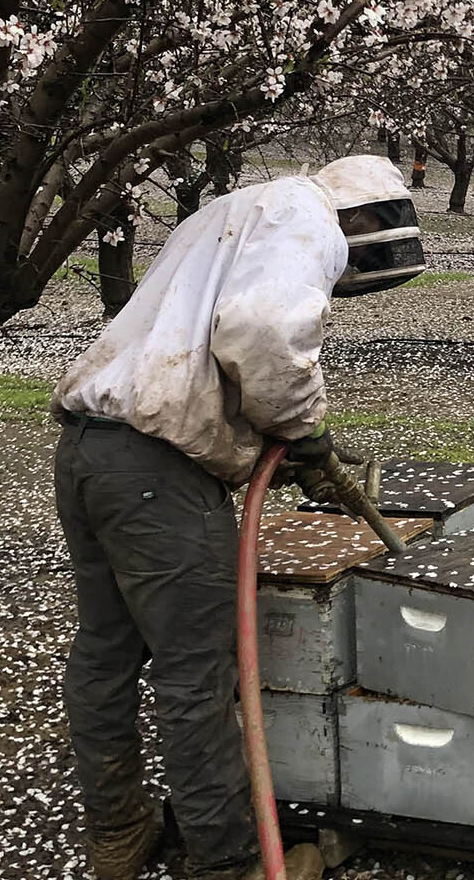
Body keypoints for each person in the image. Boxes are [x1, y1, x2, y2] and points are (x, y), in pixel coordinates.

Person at [50, 156, 425, 880]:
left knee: (105, 650)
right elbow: (259, 330)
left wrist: (280, 443)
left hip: (91, 451)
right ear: (369, 216)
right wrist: (302, 424)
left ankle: (118, 831)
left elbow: (196, 347)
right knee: (197, 671)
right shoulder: (304, 216)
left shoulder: (236, 210)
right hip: (158, 472)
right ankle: (227, 859)